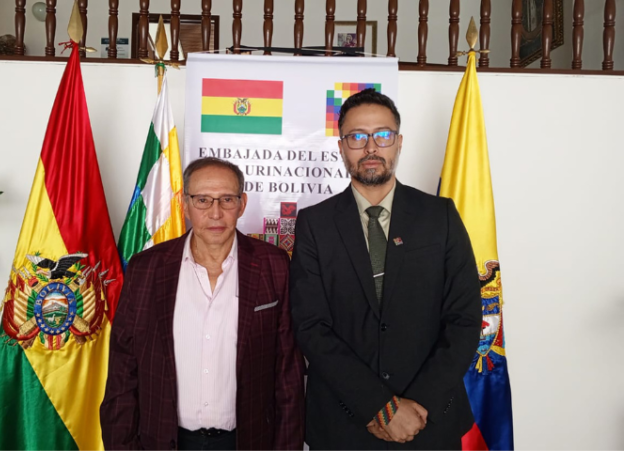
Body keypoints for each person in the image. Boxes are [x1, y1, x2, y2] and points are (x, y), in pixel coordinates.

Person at [290, 89, 482, 450]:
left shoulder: (439, 217)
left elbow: (464, 319)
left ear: (399, 142)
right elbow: (311, 326)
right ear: (342, 146)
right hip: (345, 423)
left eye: (382, 135)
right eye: (357, 137)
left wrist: (418, 405)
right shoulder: (315, 224)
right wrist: (380, 408)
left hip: (429, 420)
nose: (370, 148)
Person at [101, 157, 305, 450]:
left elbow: (288, 374)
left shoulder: (273, 265)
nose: (215, 212)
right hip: (163, 441)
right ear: (185, 205)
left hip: (247, 441)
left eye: (227, 200)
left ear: (242, 204)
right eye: (203, 200)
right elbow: (122, 370)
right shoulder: (147, 268)